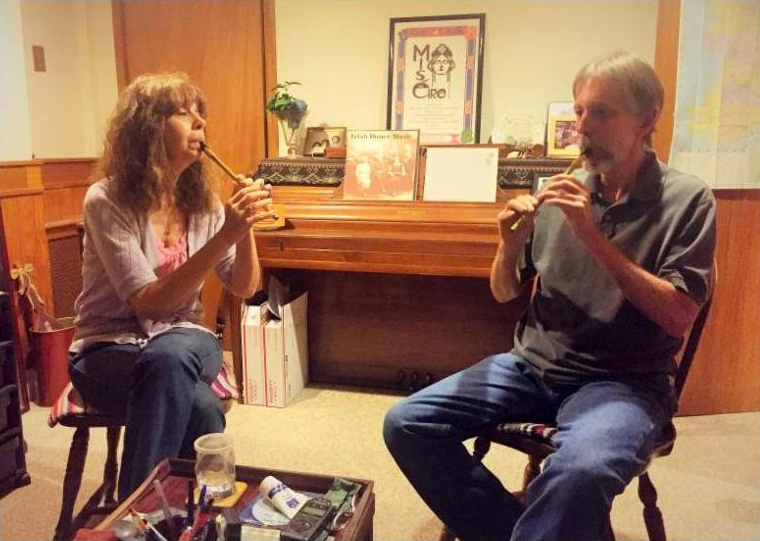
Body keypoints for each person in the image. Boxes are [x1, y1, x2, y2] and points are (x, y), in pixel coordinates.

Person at [384, 51, 716, 541]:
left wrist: (594, 237)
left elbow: (677, 316)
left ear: (647, 120)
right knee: (407, 422)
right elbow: (503, 293)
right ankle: (511, 531)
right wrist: (509, 243)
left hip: (624, 384)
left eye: (601, 113)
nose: (582, 126)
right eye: (579, 111)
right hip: (530, 368)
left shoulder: (688, 199)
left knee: (582, 472)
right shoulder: (560, 191)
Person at [69, 72, 276, 500]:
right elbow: (150, 305)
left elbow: (244, 286)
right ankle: (193, 511)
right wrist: (225, 235)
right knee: (199, 404)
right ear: (146, 128)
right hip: (106, 351)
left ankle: (135, 511)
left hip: (187, 343)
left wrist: (245, 226)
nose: (199, 122)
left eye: (201, 113)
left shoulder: (204, 206)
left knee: (172, 351)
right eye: (183, 113)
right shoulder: (105, 200)